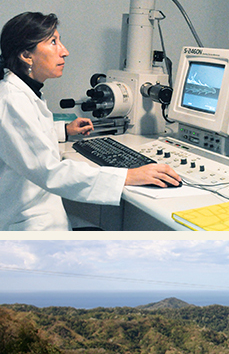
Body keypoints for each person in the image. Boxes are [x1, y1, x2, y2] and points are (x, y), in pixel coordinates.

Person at [0, 12, 180, 230]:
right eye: (53, 42)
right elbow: (50, 172)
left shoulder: (24, 91)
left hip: (40, 213)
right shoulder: (12, 99)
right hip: (29, 226)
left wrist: (63, 131)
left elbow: (23, 137)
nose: (64, 52)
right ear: (26, 56)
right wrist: (127, 176)